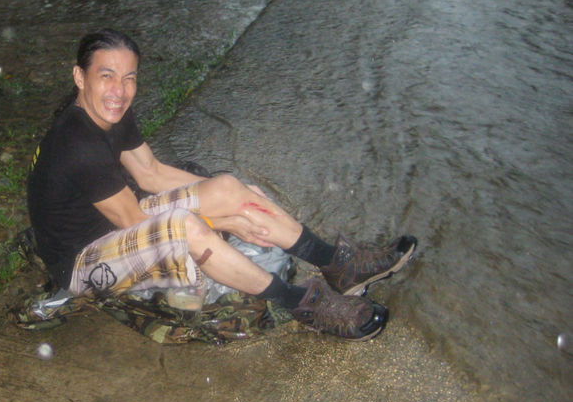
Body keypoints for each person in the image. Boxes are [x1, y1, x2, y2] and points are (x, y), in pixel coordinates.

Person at [26, 28, 417, 341]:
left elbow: (151, 173)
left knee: (226, 185)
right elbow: (134, 221)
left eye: (129, 78)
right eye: (106, 76)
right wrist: (224, 222)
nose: (119, 90)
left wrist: (234, 198)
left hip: (116, 226)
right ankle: (301, 304)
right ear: (80, 76)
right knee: (187, 228)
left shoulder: (109, 114)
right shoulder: (78, 144)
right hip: (82, 264)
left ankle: (337, 264)